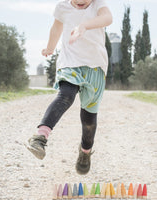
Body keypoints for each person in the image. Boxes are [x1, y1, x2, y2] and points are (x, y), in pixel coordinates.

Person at [26, 0, 112, 175]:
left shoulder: (98, 5)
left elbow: (107, 18)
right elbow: (57, 28)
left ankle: (85, 152)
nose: (81, 2)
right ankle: (40, 137)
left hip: (95, 67)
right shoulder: (62, 7)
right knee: (65, 95)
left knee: (88, 119)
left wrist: (84, 26)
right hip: (70, 62)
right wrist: (50, 47)